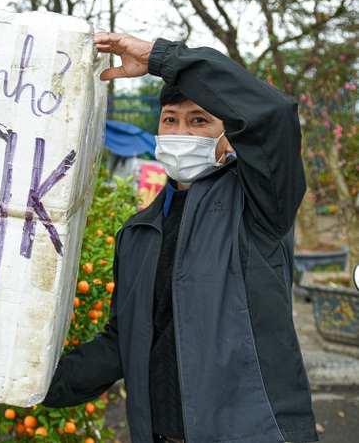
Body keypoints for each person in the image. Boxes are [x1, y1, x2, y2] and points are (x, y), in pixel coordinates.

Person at [43, 33, 318, 443]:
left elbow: (272, 115)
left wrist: (163, 58)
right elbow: (125, 342)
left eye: (200, 120)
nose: (181, 132)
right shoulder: (138, 233)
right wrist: (31, 384)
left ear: (230, 137)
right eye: (170, 119)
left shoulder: (258, 207)